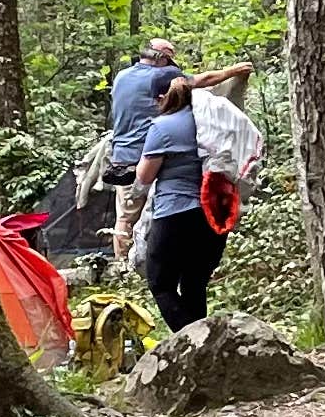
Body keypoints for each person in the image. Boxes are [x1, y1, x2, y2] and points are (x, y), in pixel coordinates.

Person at [102, 38, 248, 258]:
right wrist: (235, 70)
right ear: (162, 58)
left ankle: (123, 267)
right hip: (152, 155)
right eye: (170, 59)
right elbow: (204, 79)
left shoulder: (122, 76)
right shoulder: (162, 76)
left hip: (121, 158)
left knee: (125, 216)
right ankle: (158, 263)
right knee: (159, 213)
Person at [132, 73, 232, 329]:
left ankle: (192, 343)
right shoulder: (214, 122)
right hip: (214, 215)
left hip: (175, 214)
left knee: (160, 283)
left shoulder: (163, 126)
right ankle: (202, 345)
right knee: (194, 282)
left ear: (161, 98)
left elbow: (144, 177)